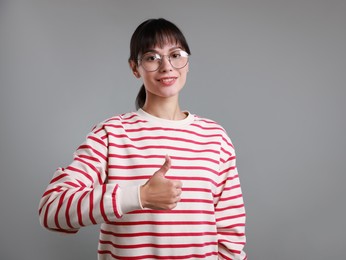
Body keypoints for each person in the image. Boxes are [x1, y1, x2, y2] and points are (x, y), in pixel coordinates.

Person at [38, 18, 247, 260]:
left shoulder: (215, 137)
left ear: (188, 62)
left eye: (176, 55)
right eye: (152, 58)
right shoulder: (111, 133)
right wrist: (139, 196)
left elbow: (231, 237)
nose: (166, 66)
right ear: (134, 68)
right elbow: (52, 210)